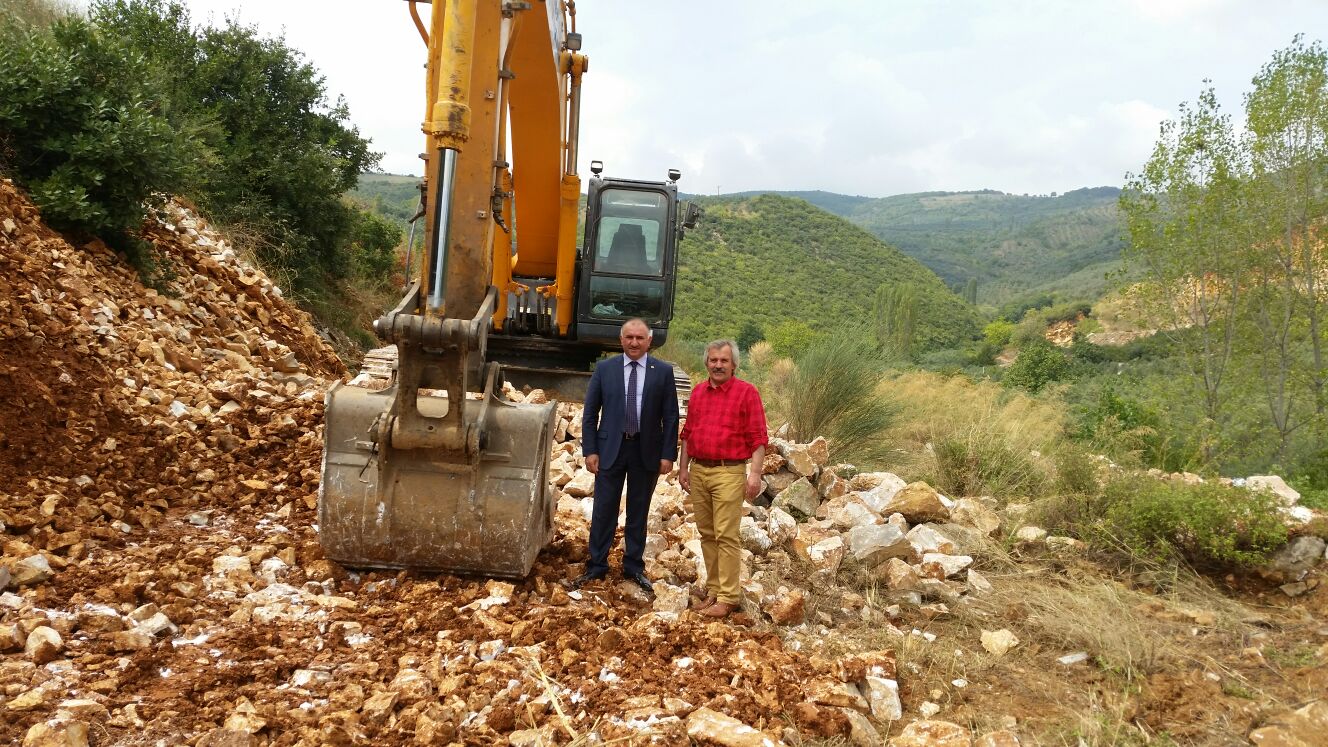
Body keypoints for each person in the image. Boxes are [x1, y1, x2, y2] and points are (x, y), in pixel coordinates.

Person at [572, 318, 680, 594]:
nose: (634, 342)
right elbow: (590, 412)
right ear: (621, 340)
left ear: (649, 341)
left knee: (638, 511)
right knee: (604, 509)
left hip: (647, 451)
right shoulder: (605, 369)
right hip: (610, 450)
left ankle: (633, 566)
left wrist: (668, 454)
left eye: (639, 338)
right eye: (629, 337)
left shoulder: (663, 372)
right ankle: (597, 565)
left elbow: (670, 416)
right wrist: (590, 450)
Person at [678, 339, 768, 618]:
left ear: (734, 364)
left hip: (729, 471)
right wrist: (683, 469)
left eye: (724, 361)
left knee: (726, 535)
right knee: (707, 534)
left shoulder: (746, 393)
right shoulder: (698, 393)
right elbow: (688, 434)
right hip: (700, 471)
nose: (718, 365)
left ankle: (729, 597)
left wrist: (754, 474)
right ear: (706, 362)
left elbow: (758, 437)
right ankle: (714, 590)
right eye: (713, 360)